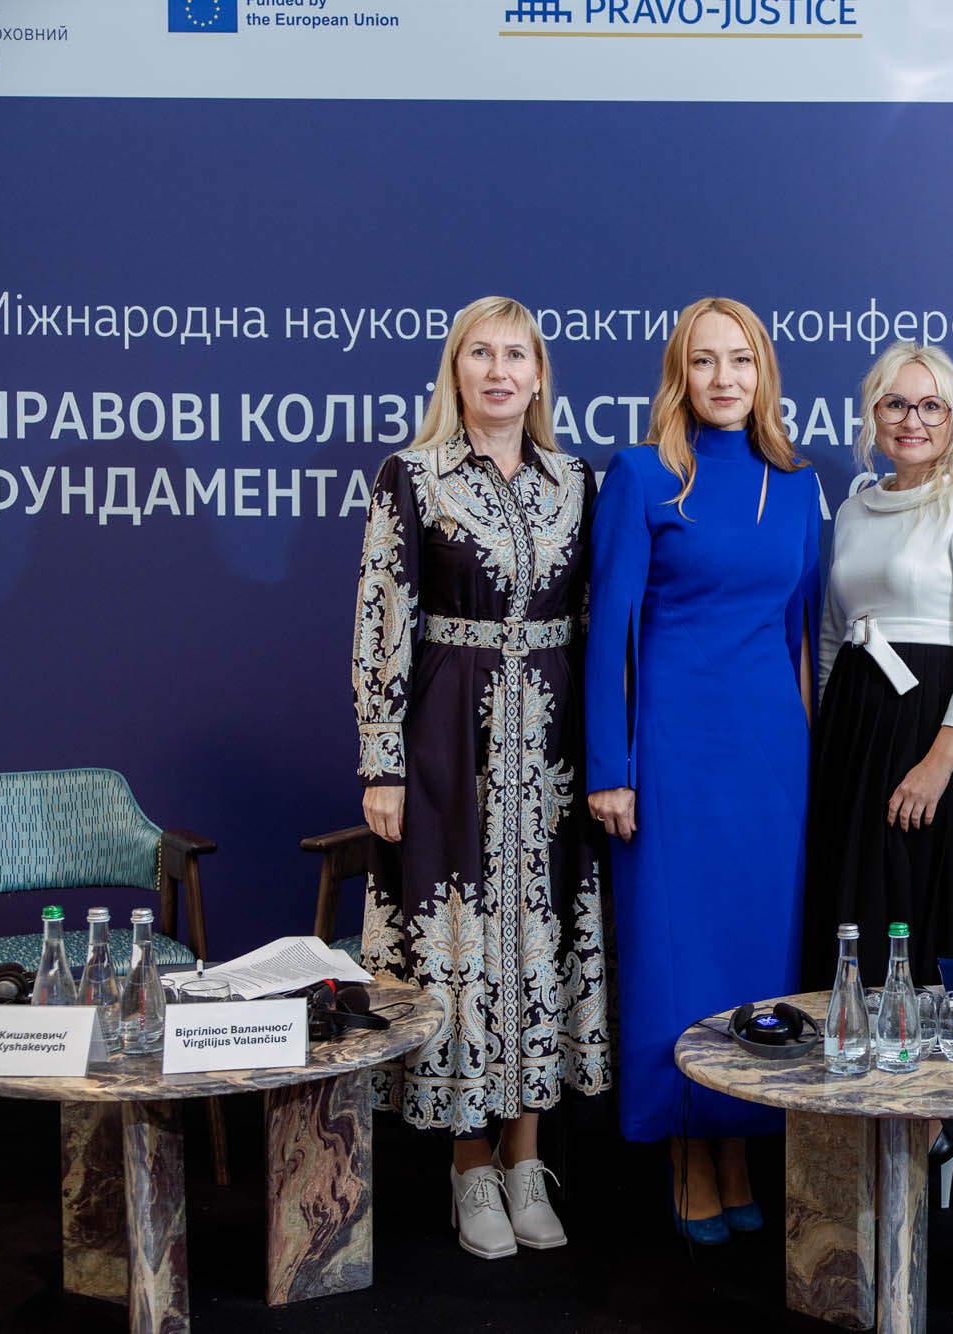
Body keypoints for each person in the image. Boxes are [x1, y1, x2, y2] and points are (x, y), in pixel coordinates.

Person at [351, 295, 609, 1261]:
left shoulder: (576, 481)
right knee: (460, 948)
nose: (500, 371)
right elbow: (383, 615)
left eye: (516, 355)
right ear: (455, 371)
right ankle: (469, 1168)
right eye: (480, 354)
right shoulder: (412, 475)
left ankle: (527, 1160)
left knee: (537, 941)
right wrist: (382, 761)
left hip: (552, 745)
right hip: (446, 736)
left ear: (540, 375)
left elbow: (600, 618)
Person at [584, 297, 822, 1245]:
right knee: (676, 954)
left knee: (760, 960)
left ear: (765, 374)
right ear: (679, 375)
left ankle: (740, 1145)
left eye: (742, 360)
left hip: (770, 758)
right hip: (673, 753)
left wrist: (806, 760)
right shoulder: (642, 475)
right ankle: (686, 1147)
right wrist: (611, 768)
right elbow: (609, 632)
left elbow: (803, 639)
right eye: (705, 361)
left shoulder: (798, 485)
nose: (725, 379)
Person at [802, 341, 953, 992]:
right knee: (851, 908)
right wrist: (824, 745)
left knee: (922, 911)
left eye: (931, 406)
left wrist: (937, 765)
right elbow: (834, 635)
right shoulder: (853, 510)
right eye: (895, 403)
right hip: (853, 730)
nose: (912, 420)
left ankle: (932, 1058)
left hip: (935, 732)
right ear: (873, 415)